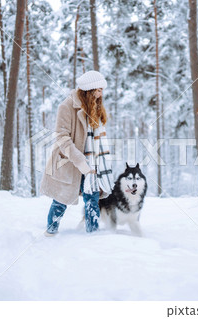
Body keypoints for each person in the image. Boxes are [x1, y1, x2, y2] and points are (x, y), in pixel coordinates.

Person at [39, 71, 113, 236]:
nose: (101, 94)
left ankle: (92, 235)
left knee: (92, 198)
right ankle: (50, 233)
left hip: (92, 162)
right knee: (61, 200)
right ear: (89, 89)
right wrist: (79, 160)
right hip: (70, 161)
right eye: (98, 90)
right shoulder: (67, 106)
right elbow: (61, 137)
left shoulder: (95, 107)